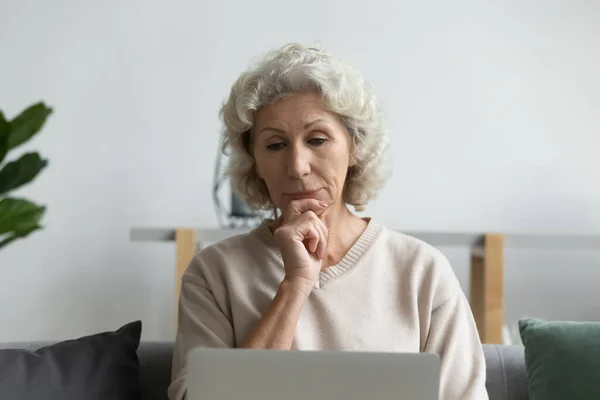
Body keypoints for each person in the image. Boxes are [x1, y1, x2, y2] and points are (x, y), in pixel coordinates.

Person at [168, 43, 488, 400]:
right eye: (275, 146)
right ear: (254, 162)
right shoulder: (213, 274)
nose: (297, 167)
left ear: (353, 148)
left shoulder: (421, 271)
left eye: (317, 140)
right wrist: (296, 284)